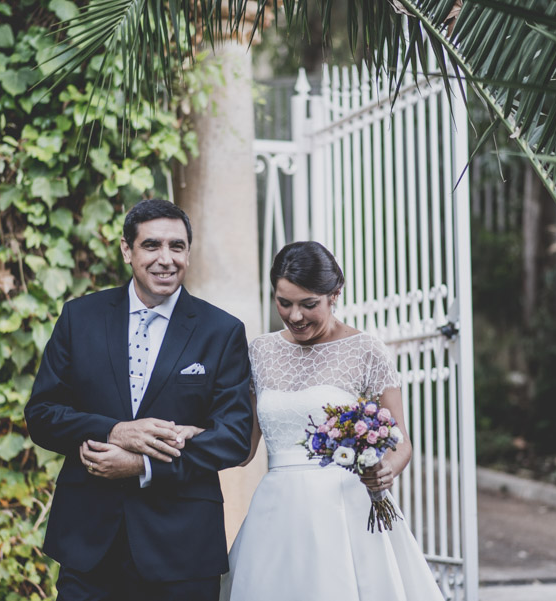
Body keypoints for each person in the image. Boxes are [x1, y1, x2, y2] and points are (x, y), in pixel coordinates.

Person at [25, 199, 253, 601]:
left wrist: (144, 464)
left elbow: (233, 437)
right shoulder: (79, 318)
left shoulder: (222, 331)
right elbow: (42, 415)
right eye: (152, 245)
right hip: (88, 543)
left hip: (182, 548)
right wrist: (115, 431)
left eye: (177, 247)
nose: (166, 259)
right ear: (127, 250)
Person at [220, 241, 444, 601]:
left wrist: (387, 468)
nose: (295, 316)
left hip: (346, 511)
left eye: (309, 304)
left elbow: (401, 441)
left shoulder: (366, 350)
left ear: (334, 294)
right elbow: (243, 449)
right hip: (276, 515)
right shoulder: (260, 351)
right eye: (284, 302)